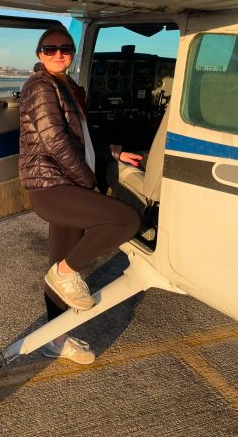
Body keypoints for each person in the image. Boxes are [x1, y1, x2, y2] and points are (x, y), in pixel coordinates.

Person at [19, 26, 142, 365]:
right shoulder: (41, 86)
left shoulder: (67, 87)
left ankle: (54, 340)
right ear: (39, 53)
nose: (58, 53)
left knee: (60, 264)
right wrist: (87, 181)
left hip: (65, 183)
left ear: (72, 53)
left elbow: (82, 140)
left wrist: (115, 153)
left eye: (65, 48)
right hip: (53, 186)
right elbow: (55, 142)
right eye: (50, 48)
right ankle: (64, 272)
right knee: (126, 220)